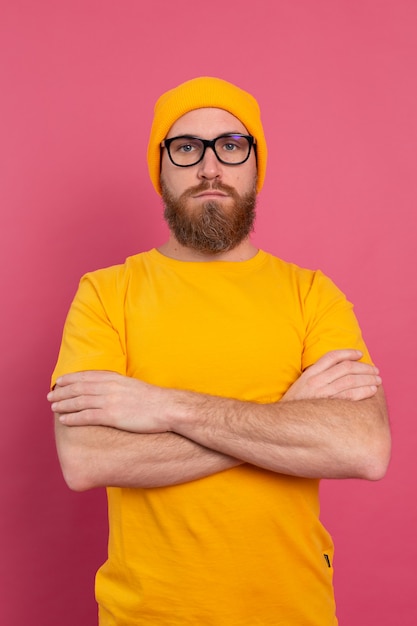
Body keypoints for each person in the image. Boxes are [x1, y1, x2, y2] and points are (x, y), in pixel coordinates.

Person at [48, 76, 391, 625]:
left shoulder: (312, 295)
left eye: (231, 145)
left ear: (256, 165)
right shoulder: (106, 293)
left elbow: (363, 447)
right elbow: (88, 459)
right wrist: (286, 421)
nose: (210, 167)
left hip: (293, 612)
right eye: (186, 148)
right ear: (160, 169)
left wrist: (165, 408)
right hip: (147, 615)